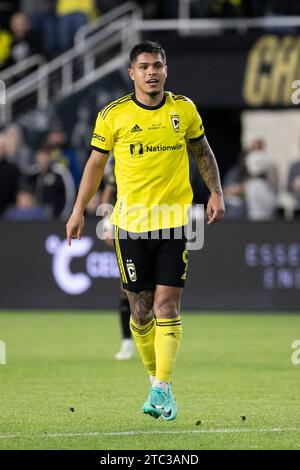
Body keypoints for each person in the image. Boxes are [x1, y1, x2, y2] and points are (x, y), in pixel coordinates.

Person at [66, 40, 225, 421]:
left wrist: (216, 192)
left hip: (173, 222)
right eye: (144, 66)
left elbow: (203, 151)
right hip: (130, 228)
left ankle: (161, 388)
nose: (151, 72)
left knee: (166, 305)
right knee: (140, 312)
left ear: (165, 70)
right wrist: (77, 211)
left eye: (157, 65)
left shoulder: (182, 109)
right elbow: (94, 166)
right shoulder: (113, 116)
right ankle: (158, 380)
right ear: (132, 73)